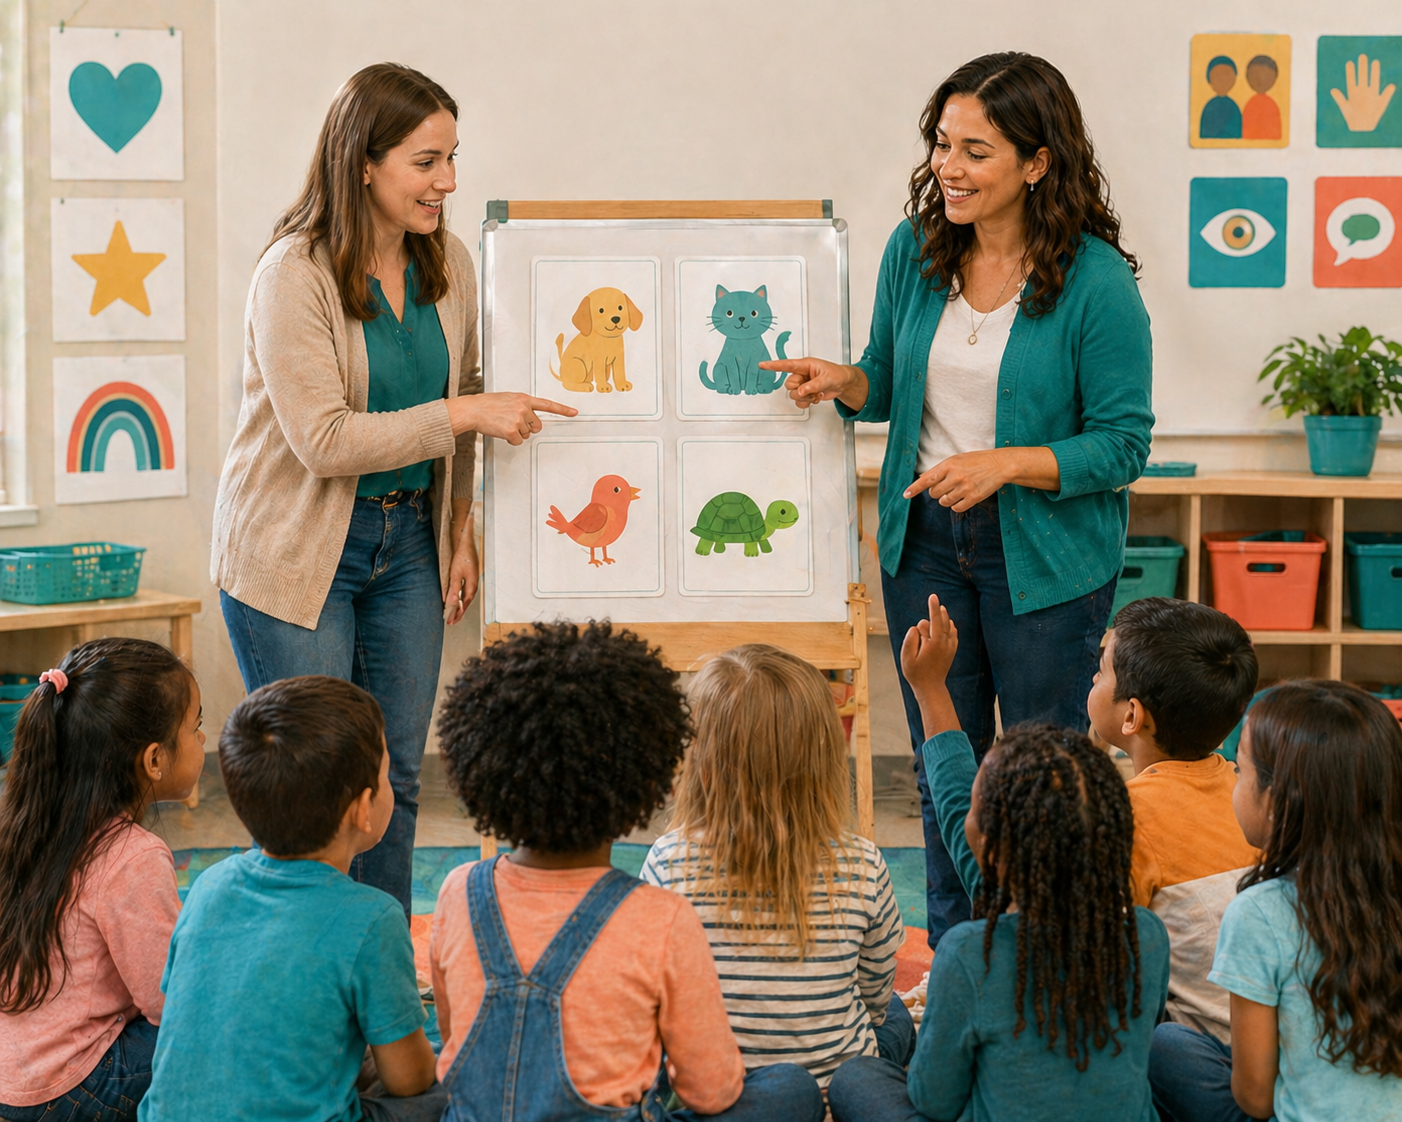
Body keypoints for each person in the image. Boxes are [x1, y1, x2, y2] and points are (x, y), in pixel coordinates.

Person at [761, 51, 1153, 946]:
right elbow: (894, 385)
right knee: (950, 762)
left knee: (1042, 776)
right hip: (928, 543)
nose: (949, 167)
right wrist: (846, 380)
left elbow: (1123, 444)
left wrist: (1007, 464)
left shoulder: (1094, 280)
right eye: (943, 143)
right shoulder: (918, 248)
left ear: (1037, 163)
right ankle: (956, 959)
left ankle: (1051, 957)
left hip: (1045, 559)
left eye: (976, 150)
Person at [211, 62, 576, 913]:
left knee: (392, 778)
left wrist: (458, 523)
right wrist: (462, 414)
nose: (448, 181)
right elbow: (326, 441)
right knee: (312, 792)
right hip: (294, 554)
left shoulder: (444, 260)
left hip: (406, 542)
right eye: (426, 162)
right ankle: (302, 965)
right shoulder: (292, 275)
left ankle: (377, 959)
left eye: (452, 158)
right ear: (363, 163)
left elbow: (469, 389)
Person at [431, 622, 826, 1122]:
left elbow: (455, 1044)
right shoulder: (660, 917)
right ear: (648, 772)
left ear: (480, 766)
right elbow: (711, 1092)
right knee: (791, 1088)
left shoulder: (457, 890)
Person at [827, 594, 1168, 1122]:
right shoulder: (1144, 934)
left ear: (987, 848)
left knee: (856, 1077)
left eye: (979, 806)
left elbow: (933, 1099)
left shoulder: (970, 952)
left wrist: (928, 688)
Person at [140, 677, 446, 1122]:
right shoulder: (374, 918)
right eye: (385, 776)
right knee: (458, 1082)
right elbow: (408, 1079)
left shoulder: (208, 885)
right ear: (363, 808)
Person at [642, 645, 909, 1087]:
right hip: (837, 1080)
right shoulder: (863, 862)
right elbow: (875, 994)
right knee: (897, 1015)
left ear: (702, 764)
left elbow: (658, 996)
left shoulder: (667, 862)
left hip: (720, 1087)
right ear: (823, 762)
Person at [1149, 682, 1402, 1122]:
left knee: (1166, 1046)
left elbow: (1256, 1098)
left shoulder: (1260, 912)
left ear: (1280, 802)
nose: (1231, 776)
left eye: (1240, 770)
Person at [0, 639, 203, 1122]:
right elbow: (168, 1002)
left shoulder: (22, 822)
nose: (201, 740)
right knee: (214, 1024)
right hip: (64, 1091)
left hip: (10, 1071)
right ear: (154, 760)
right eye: (196, 729)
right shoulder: (134, 856)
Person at [1085, 597, 1259, 1042]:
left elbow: (1099, 965)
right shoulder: (1244, 793)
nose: (1093, 677)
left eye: (1102, 670)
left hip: (1208, 1048)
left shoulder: (1124, 817)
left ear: (1132, 715)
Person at [1201, 56, 1244, 139]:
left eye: (1227, 74)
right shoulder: (1209, 107)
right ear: (1210, 79)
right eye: (1217, 75)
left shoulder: (1234, 107)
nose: (1223, 79)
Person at [1241, 55, 1282, 140]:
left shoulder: (1271, 105)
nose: (1260, 80)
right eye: (1255, 76)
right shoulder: (1250, 104)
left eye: (1266, 76)